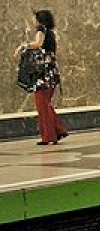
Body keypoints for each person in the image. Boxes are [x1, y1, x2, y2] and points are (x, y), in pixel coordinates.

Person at [13, 10, 68, 145]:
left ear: (39, 20)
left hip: (43, 74)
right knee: (45, 103)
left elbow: (38, 43)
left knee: (42, 104)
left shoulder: (41, 30)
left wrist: (23, 46)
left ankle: (50, 135)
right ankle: (56, 131)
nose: (33, 20)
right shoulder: (50, 33)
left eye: (34, 17)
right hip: (51, 72)